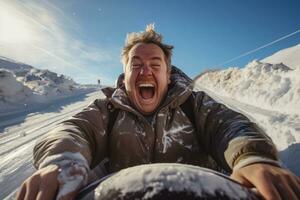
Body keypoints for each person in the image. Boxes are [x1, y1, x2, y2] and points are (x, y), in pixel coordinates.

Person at [17, 24, 300, 200]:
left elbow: (230, 125)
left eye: (155, 63)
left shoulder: (194, 104)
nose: (145, 70)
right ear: (125, 74)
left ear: (168, 73)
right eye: (136, 64)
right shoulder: (108, 111)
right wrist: (63, 161)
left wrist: (250, 157)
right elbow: (75, 129)